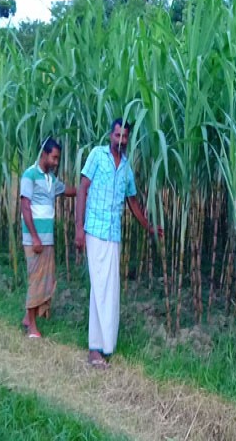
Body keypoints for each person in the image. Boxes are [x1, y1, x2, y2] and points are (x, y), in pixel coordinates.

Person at [75, 118, 162, 369]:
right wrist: (78, 228)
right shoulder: (96, 155)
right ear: (110, 135)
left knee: (110, 290)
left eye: (125, 137)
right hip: (94, 229)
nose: (120, 141)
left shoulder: (125, 167)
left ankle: (106, 346)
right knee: (99, 288)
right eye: (117, 135)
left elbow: (132, 202)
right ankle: (94, 349)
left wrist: (149, 227)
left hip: (113, 234)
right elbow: (83, 189)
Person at [20, 137, 76, 338]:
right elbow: (25, 206)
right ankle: (32, 328)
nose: (56, 162)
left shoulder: (52, 180)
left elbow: (69, 191)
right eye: (53, 157)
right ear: (44, 154)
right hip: (35, 240)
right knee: (36, 280)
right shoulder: (30, 175)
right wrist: (35, 238)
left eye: (58, 159)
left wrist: (86, 190)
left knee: (46, 280)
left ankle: (28, 318)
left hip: (48, 240)